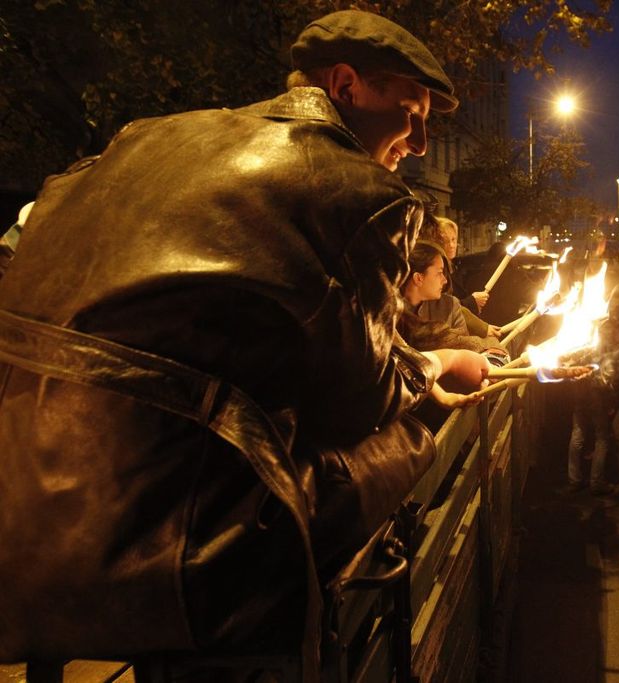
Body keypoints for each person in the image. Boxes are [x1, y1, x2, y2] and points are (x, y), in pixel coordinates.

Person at [0, 9, 490, 666]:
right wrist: (435, 365)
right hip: (182, 563)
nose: (423, 141)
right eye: (412, 112)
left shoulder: (144, 138)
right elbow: (360, 401)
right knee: (403, 439)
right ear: (345, 85)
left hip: (22, 524)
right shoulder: (361, 191)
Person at [565, 370, 617, 497]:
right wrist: (611, 402)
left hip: (579, 398)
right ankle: (596, 482)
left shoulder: (574, 356)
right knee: (602, 439)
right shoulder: (596, 355)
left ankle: (574, 480)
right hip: (597, 400)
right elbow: (605, 380)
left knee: (577, 436)